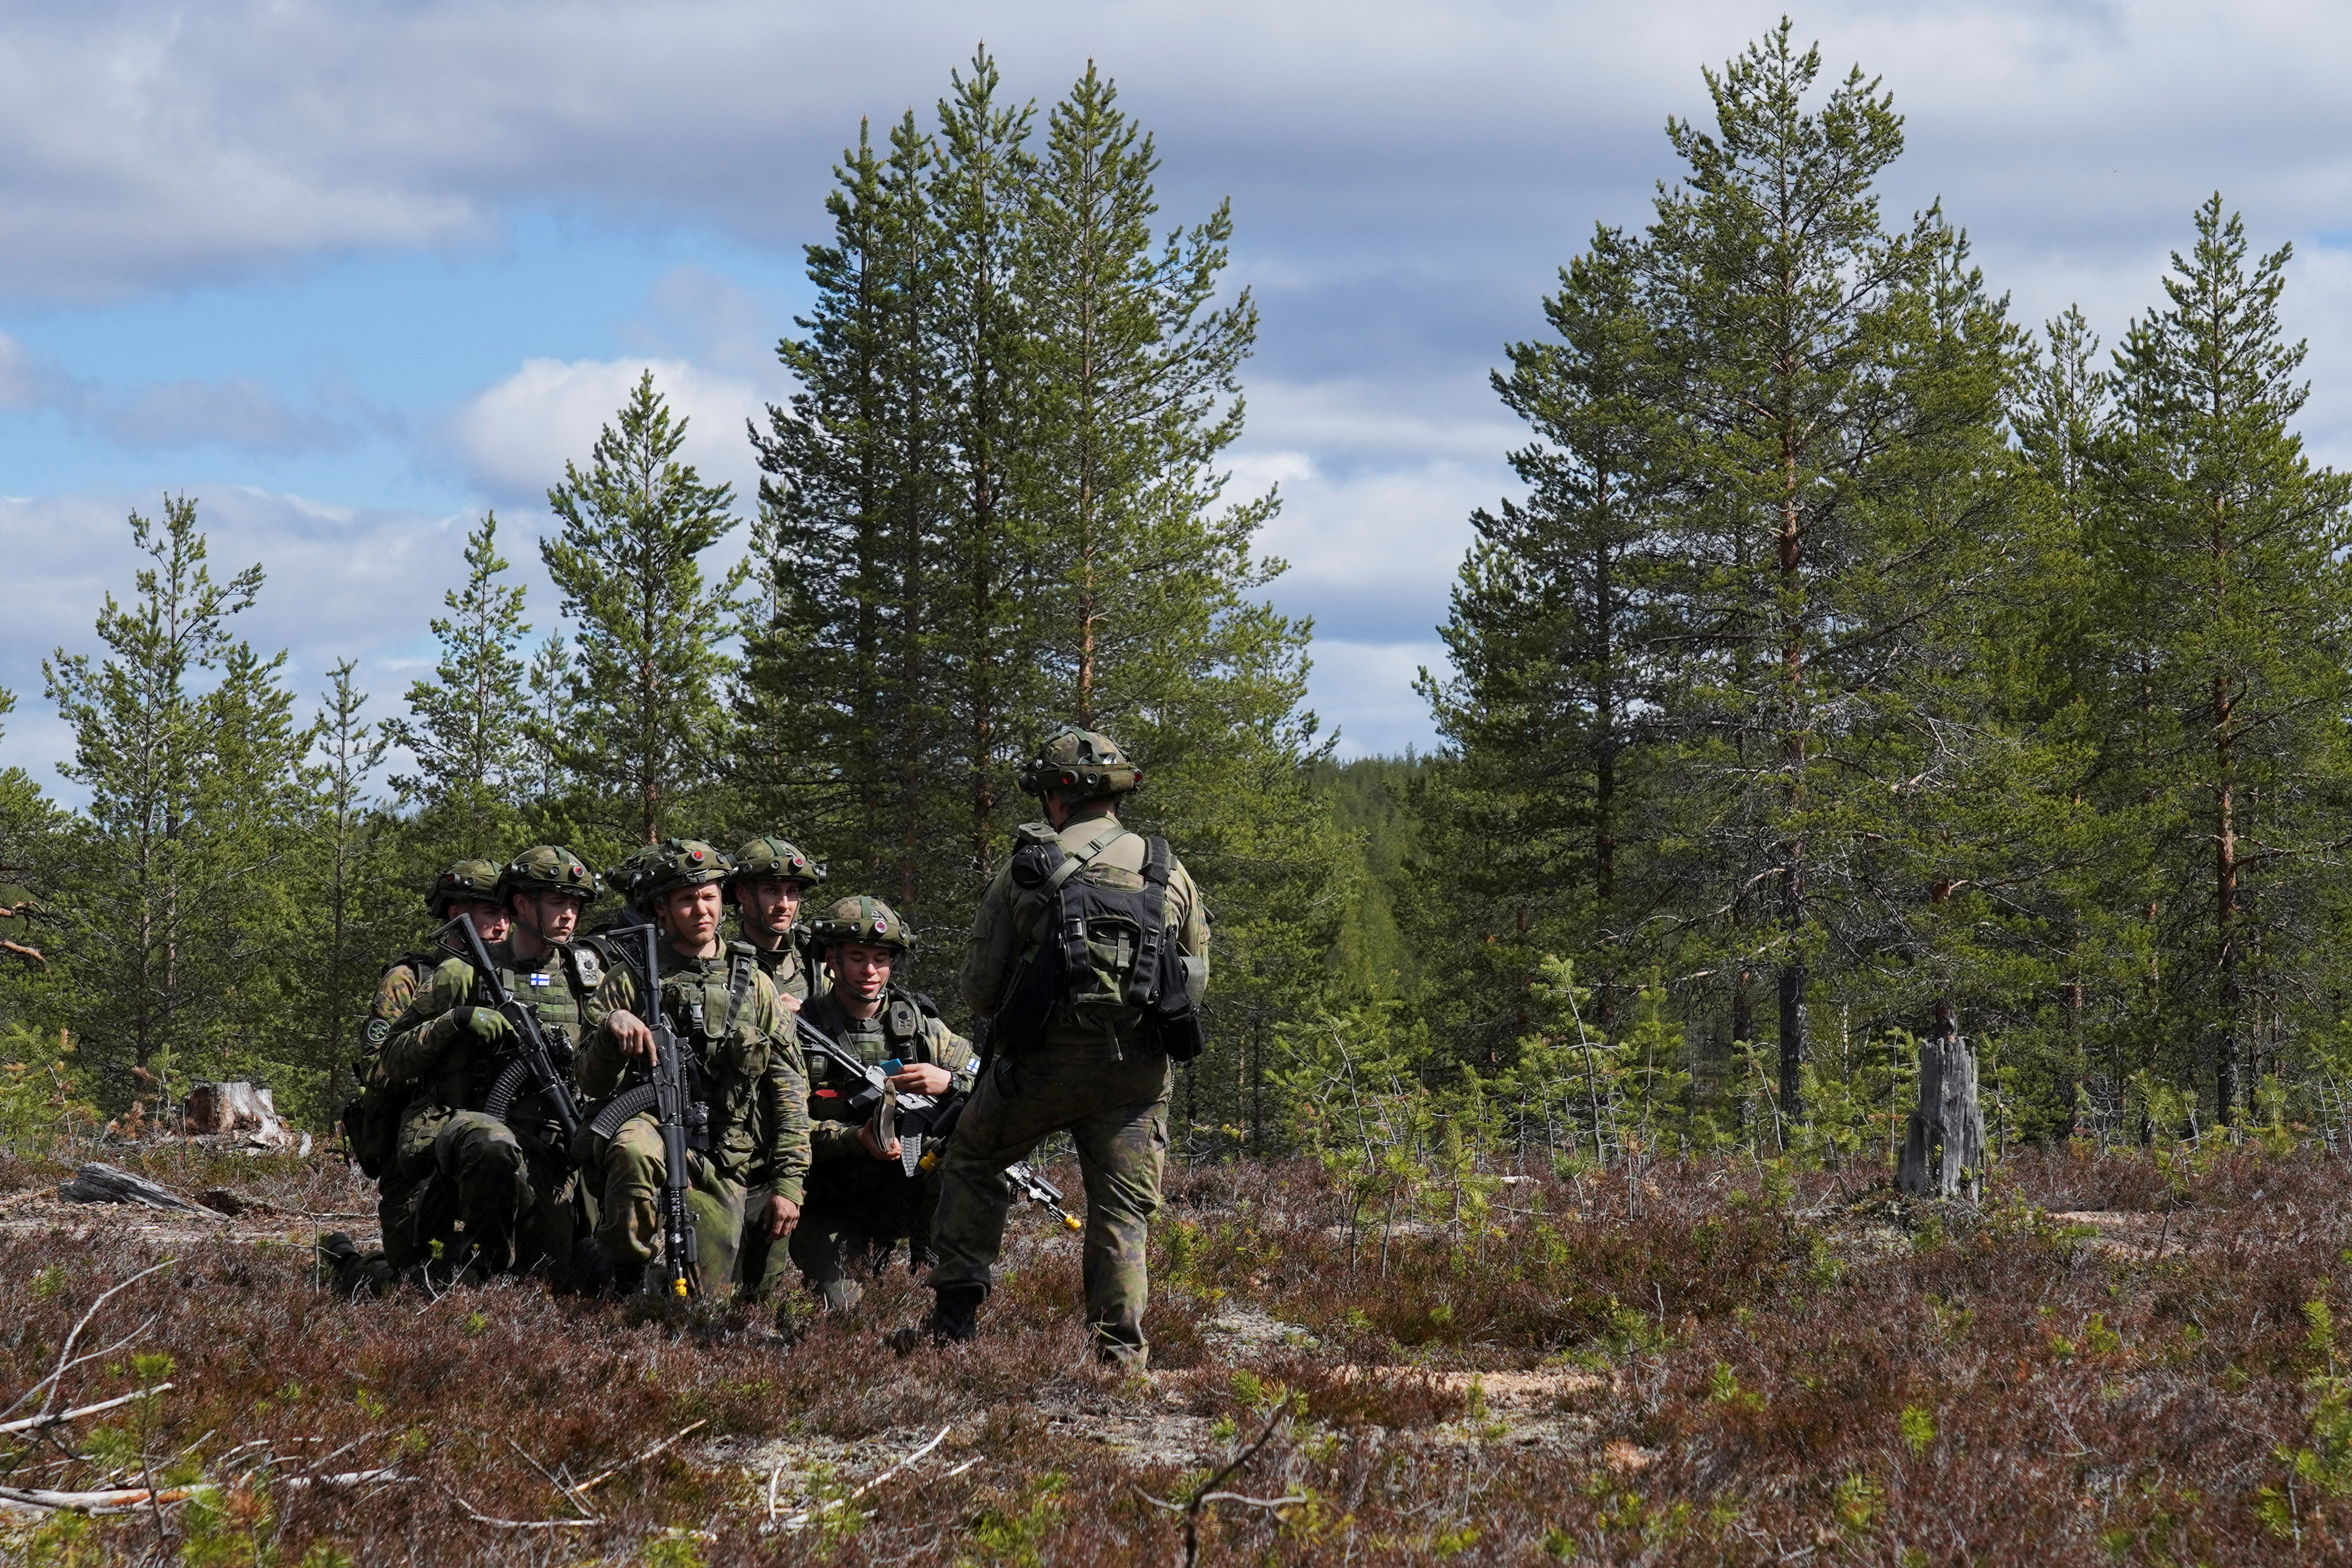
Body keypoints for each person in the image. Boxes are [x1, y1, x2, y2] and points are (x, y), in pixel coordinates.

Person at [925, 727, 1209, 1368]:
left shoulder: (1028, 867)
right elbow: (1194, 980)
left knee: (972, 1157)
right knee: (1122, 1210)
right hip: (1135, 1077)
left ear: (1057, 796)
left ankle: (955, 1323)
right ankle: (1121, 1357)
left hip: (1039, 1068)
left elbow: (979, 988)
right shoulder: (1168, 868)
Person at [574, 839, 811, 1298]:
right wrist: (611, 1029)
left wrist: (789, 1183)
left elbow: (789, 1091)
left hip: (724, 1150)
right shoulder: (629, 978)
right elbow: (588, 1080)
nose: (701, 910)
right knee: (634, 1149)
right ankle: (624, 1277)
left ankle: (657, 1282)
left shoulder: (756, 984)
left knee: (709, 1302)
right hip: (651, 1128)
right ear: (660, 909)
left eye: (709, 897)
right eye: (686, 899)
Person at [378, 847, 602, 1282]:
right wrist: (455, 1021)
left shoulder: (583, 978)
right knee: (492, 1143)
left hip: (553, 1141)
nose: (570, 915)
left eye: (575, 904)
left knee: (551, 1277)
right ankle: (475, 1270)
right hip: (465, 1135)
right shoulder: (463, 975)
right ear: (522, 905)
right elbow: (392, 1057)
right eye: (558, 902)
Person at [790, 895, 975, 1310]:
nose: (870, 971)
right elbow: (784, 1129)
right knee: (844, 1310)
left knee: (960, 1158)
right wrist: (854, 1138)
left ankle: (933, 1261)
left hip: (905, 1190)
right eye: (857, 957)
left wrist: (950, 1082)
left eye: (880, 958)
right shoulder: (802, 1030)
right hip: (830, 1204)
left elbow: (987, 1079)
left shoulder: (919, 1025)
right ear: (832, 959)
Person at [349, 859, 509, 1275]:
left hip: (489, 1140)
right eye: (492, 912)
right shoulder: (411, 978)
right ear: (458, 916)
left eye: (509, 913)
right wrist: (445, 1033)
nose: (504, 925)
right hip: (415, 1151)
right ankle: (349, 1263)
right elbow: (377, 1070)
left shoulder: (512, 980)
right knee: (415, 1273)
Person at [724, 836, 829, 1296]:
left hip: (822, 1120)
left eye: (792, 892)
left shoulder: (820, 959)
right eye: (771, 891)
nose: (783, 903)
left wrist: (812, 1011)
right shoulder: (725, 962)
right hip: (752, 1131)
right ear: (743, 894)